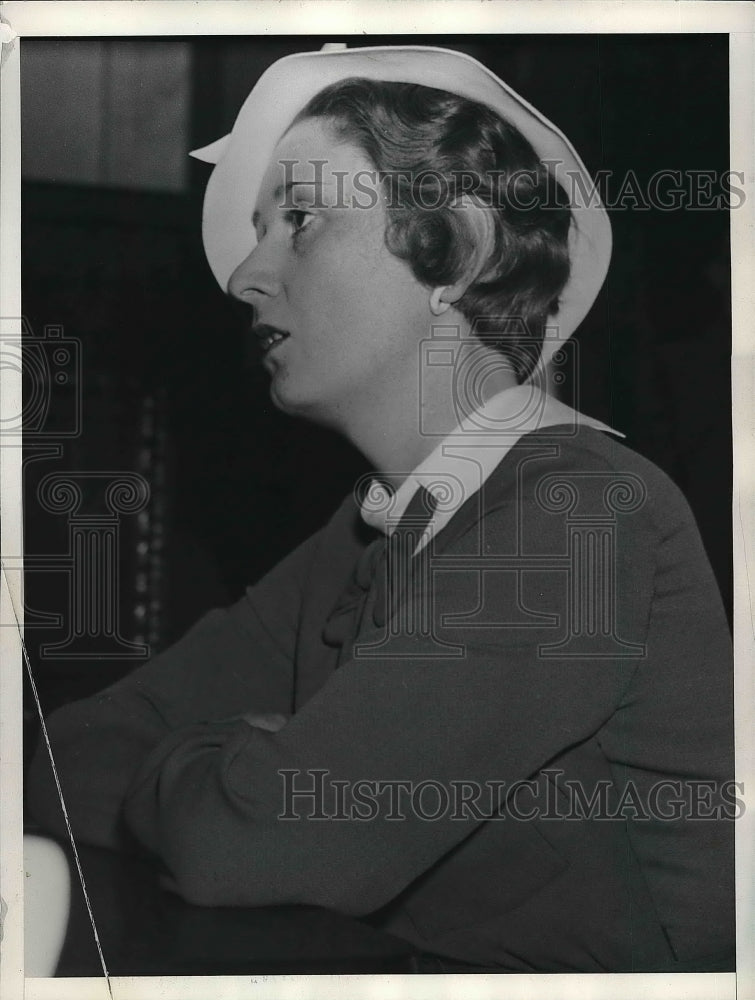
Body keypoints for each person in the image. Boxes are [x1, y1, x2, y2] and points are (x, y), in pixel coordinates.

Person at [26, 44, 735, 973]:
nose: (244, 277)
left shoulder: (582, 514)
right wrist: (237, 763)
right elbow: (59, 762)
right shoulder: (365, 533)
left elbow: (266, 841)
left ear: (459, 249)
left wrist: (206, 768)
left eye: (300, 219)